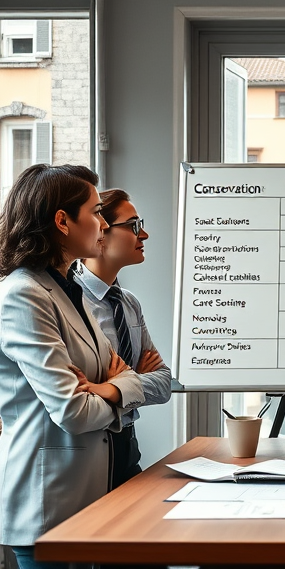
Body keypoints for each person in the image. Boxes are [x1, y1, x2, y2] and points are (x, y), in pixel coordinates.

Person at [0, 164, 145, 569]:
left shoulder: (69, 285)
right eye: (95, 213)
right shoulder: (24, 296)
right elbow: (72, 412)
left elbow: (127, 374)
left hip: (87, 499)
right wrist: (115, 387)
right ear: (62, 221)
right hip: (47, 501)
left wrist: (109, 386)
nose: (103, 224)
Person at [75, 188, 173, 489]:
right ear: (101, 233)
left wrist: (117, 384)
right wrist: (134, 378)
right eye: (133, 225)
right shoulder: (72, 303)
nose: (143, 234)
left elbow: (165, 383)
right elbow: (84, 392)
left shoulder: (128, 302)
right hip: (87, 452)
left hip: (128, 446)